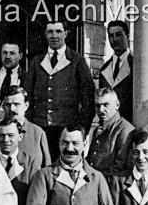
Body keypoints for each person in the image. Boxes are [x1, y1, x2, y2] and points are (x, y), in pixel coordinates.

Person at [25, 21, 96, 158]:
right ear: (45, 35)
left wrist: (81, 130)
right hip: (40, 129)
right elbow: (27, 96)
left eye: (58, 31)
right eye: (50, 32)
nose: (54, 36)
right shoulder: (37, 61)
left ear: (66, 34)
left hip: (67, 131)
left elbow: (89, 100)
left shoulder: (77, 60)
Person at [0, 86, 51, 171]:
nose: (12, 109)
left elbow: (47, 169)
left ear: (26, 105)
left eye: (16, 104)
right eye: (8, 105)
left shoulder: (38, 133)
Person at [89, 88, 135, 178]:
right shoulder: (99, 128)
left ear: (117, 105)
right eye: (98, 105)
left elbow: (120, 167)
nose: (101, 110)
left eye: (106, 105)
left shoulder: (125, 130)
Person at [95, 20, 134, 122]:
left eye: (119, 35)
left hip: (128, 125)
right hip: (108, 126)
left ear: (127, 36)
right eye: (111, 36)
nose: (115, 39)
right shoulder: (105, 68)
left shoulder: (135, 65)